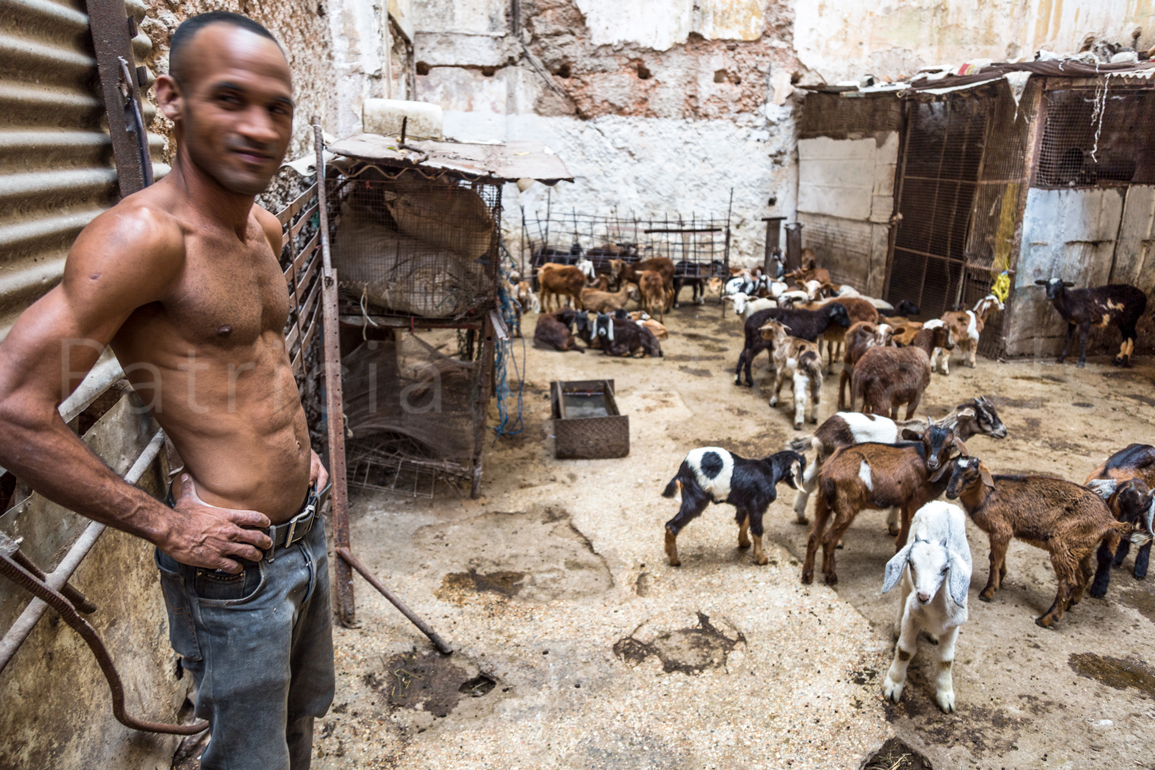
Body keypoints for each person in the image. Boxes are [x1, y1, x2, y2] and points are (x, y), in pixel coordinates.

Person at [0, 12, 333, 770]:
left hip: (304, 535)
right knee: (250, 757)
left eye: (276, 107)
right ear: (169, 99)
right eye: (230, 99)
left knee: (298, 726)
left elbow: (253, 368)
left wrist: (300, 453)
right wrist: (167, 526)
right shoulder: (141, 241)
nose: (259, 127)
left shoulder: (264, 233)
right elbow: (12, 407)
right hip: (233, 568)